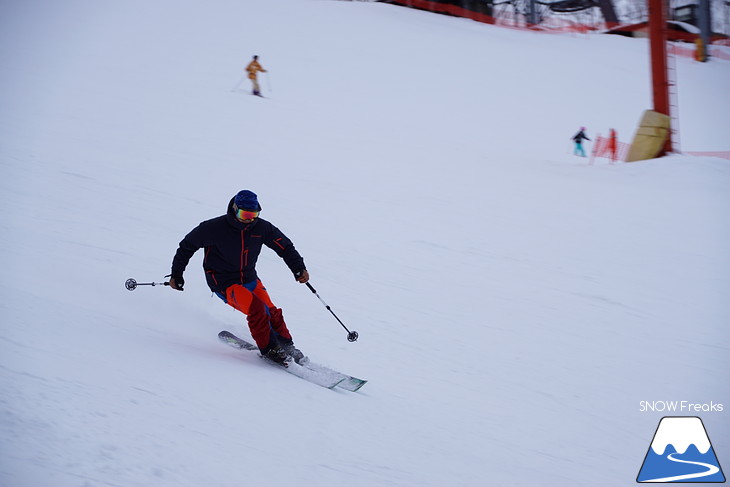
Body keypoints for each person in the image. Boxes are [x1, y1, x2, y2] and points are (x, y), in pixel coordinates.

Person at [169, 190, 309, 365]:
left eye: (254, 214)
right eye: (245, 214)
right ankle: (270, 349)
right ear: (234, 210)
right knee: (257, 309)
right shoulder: (213, 228)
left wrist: (298, 268)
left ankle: (286, 346)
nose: (250, 219)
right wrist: (176, 274)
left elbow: (285, 247)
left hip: (250, 279)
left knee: (271, 311)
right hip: (223, 282)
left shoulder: (262, 228)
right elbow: (186, 246)